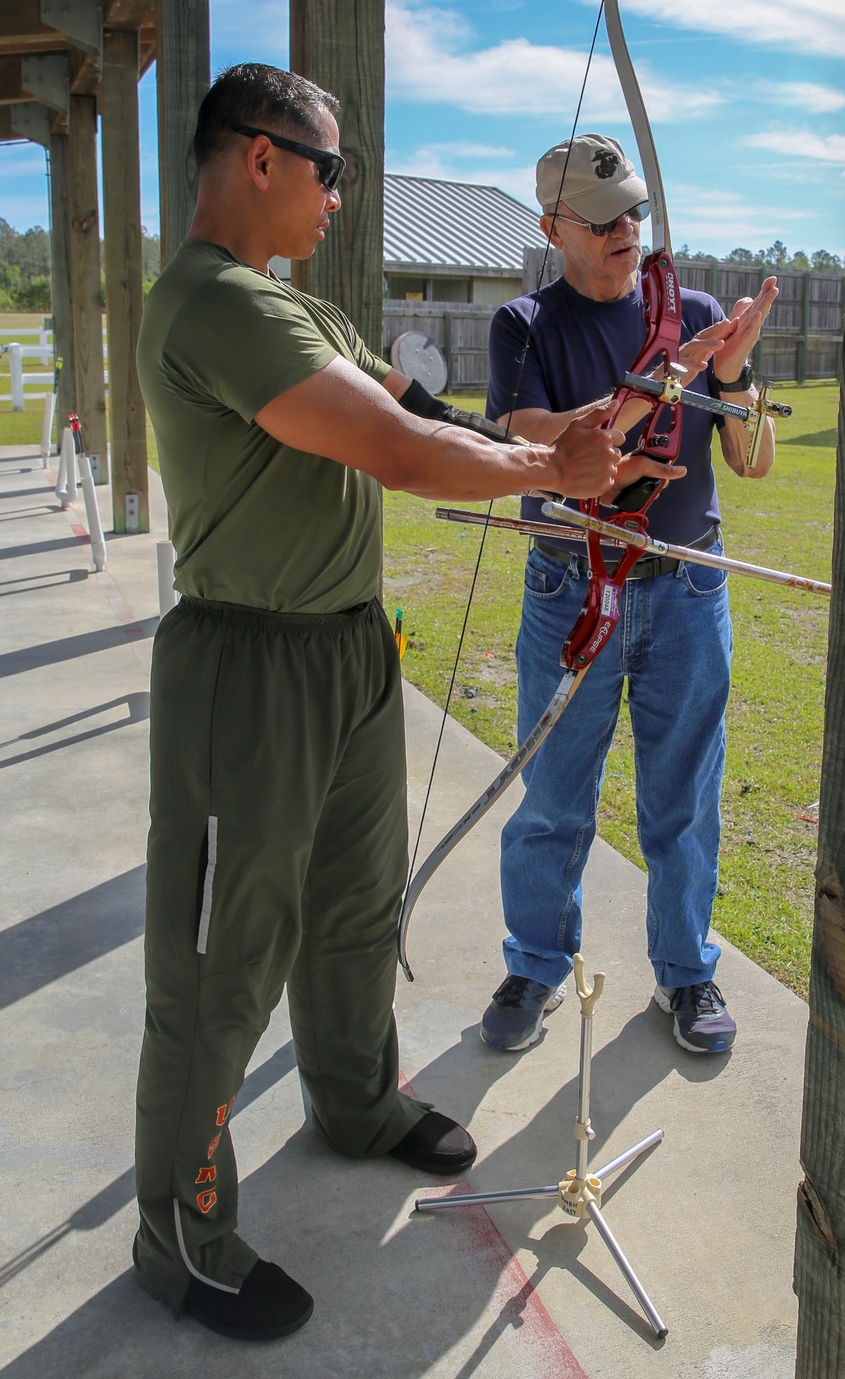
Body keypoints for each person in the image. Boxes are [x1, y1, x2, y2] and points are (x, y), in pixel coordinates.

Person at [132, 66, 624, 1343]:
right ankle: (177, 1232)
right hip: (249, 669)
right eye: (329, 169)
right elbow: (403, 458)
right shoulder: (215, 304)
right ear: (256, 158)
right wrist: (540, 468)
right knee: (220, 959)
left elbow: (420, 410)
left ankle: (352, 1103)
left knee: (355, 906)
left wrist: (566, 440)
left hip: (347, 650)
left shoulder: (296, 306)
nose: (341, 196)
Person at [481, 132, 778, 1057]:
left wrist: (729, 381)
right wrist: (663, 382)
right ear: (553, 227)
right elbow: (531, 440)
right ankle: (535, 961)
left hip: (686, 582)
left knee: (684, 796)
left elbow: (750, 459)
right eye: (604, 218)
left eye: (636, 212)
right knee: (554, 797)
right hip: (572, 582)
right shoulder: (523, 325)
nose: (627, 230)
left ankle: (686, 974)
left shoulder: (686, 312)